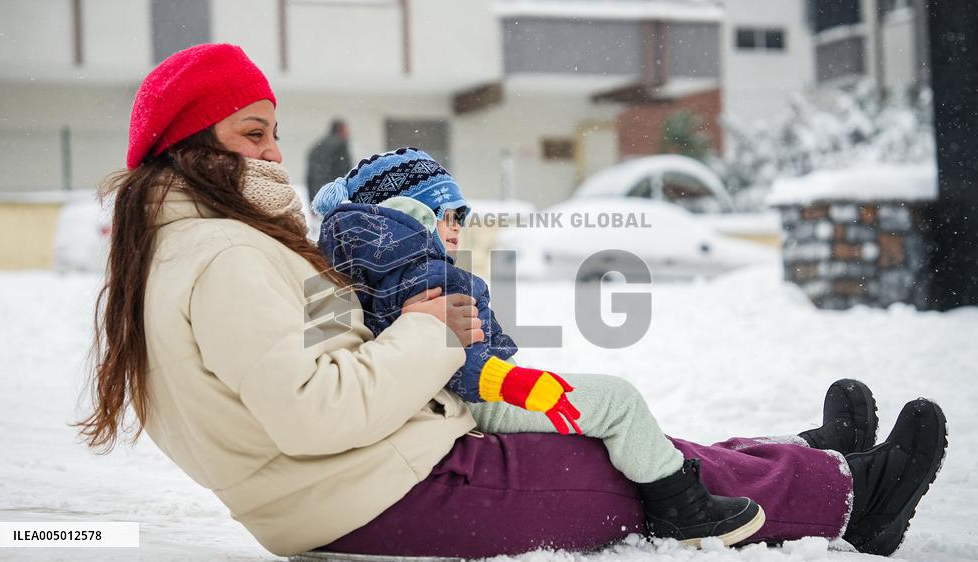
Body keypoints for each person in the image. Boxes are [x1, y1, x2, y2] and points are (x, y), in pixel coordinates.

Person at [77, 43, 949, 560]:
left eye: (273, 128)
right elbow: (315, 413)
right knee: (623, 463)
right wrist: (430, 331)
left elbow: (332, 364)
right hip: (387, 493)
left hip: (386, 469)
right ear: (192, 145)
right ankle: (852, 499)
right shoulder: (223, 257)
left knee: (622, 432)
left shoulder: (198, 251)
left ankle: (801, 458)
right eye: (251, 131)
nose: (273, 151)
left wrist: (412, 343)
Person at [310, 146, 766, 546]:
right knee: (618, 401)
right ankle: (684, 512)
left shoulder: (368, 261)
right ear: (410, 214)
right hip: (475, 396)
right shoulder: (422, 268)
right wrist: (514, 383)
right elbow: (452, 353)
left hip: (421, 394)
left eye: (459, 219)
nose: (455, 230)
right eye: (445, 215)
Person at [305, 118, 352, 202]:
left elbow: (313, 175)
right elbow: (345, 170)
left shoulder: (319, 145)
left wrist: (313, 198)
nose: (349, 132)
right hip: (335, 194)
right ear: (340, 129)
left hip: (319, 194)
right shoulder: (340, 144)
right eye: (346, 129)